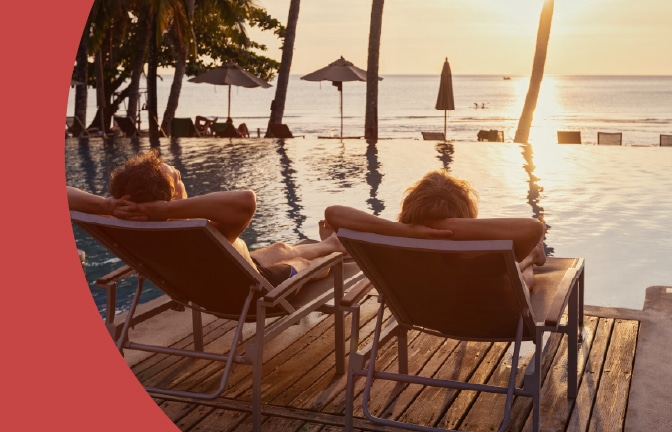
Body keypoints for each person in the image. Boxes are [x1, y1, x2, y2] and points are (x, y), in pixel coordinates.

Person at [68, 150, 346, 287]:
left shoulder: (126, 222)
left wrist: (106, 204)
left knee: (281, 248)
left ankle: (331, 242)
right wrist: (166, 210)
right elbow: (246, 200)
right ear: (168, 202)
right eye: (177, 177)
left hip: (227, 270)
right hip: (249, 288)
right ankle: (333, 250)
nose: (179, 174)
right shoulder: (192, 231)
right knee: (306, 263)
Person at [323, 170, 547, 287]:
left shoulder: (396, 248)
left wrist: (406, 230)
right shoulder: (473, 254)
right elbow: (533, 228)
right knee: (518, 275)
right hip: (488, 316)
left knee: (517, 271)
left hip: (420, 315)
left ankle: (532, 256)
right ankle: (532, 255)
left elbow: (334, 213)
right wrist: (443, 227)